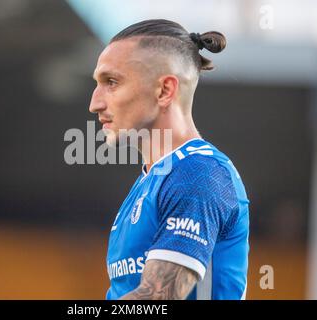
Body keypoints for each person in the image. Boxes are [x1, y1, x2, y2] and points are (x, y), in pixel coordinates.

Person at [89, 19, 250, 300]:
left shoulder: (200, 174)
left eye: (111, 82)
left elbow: (157, 298)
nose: (95, 103)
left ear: (165, 90)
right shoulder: (152, 180)